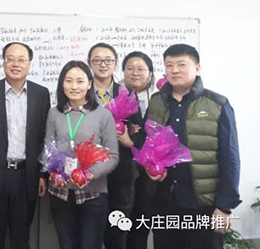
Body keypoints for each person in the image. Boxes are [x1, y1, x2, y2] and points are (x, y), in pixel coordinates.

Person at [143, 44, 241, 249]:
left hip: (203, 203)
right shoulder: (157, 101)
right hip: (165, 201)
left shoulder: (217, 104)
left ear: (197, 68)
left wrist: (224, 207)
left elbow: (230, 157)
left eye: (181, 64)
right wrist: (150, 167)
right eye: (169, 65)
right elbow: (148, 144)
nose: (174, 70)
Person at [0, 42, 50, 249]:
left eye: (21, 60)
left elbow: (44, 137)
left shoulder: (41, 94)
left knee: (21, 239)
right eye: (10, 59)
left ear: (29, 64)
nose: (16, 64)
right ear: (3, 62)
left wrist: (42, 174)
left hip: (26, 177)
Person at [43, 60, 119, 249]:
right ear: (62, 84)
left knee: (90, 245)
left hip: (93, 193)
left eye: (79, 81)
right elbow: (48, 149)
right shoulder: (54, 114)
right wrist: (54, 173)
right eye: (68, 81)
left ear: (89, 84)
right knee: (66, 244)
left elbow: (113, 156)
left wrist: (90, 173)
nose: (74, 87)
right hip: (60, 193)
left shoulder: (103, 115)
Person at [88, 43, 143, 249]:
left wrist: (130, 139)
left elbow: (139, 130)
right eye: (97, 60)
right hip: (90, 170)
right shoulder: (81, 90)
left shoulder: (126, 92)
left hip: (121, 171)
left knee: (117, 230)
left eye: (108, 60)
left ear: (115, 63)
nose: (103, 64)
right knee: (91, 228)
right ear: (89, 63)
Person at [123, 51, 156, 249]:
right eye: (130, 68)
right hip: (122, 170)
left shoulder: (160, 99)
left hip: (150, 174)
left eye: (140, 69)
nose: (135, 73)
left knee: (141, 226)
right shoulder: (115, 96)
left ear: (150, 73)